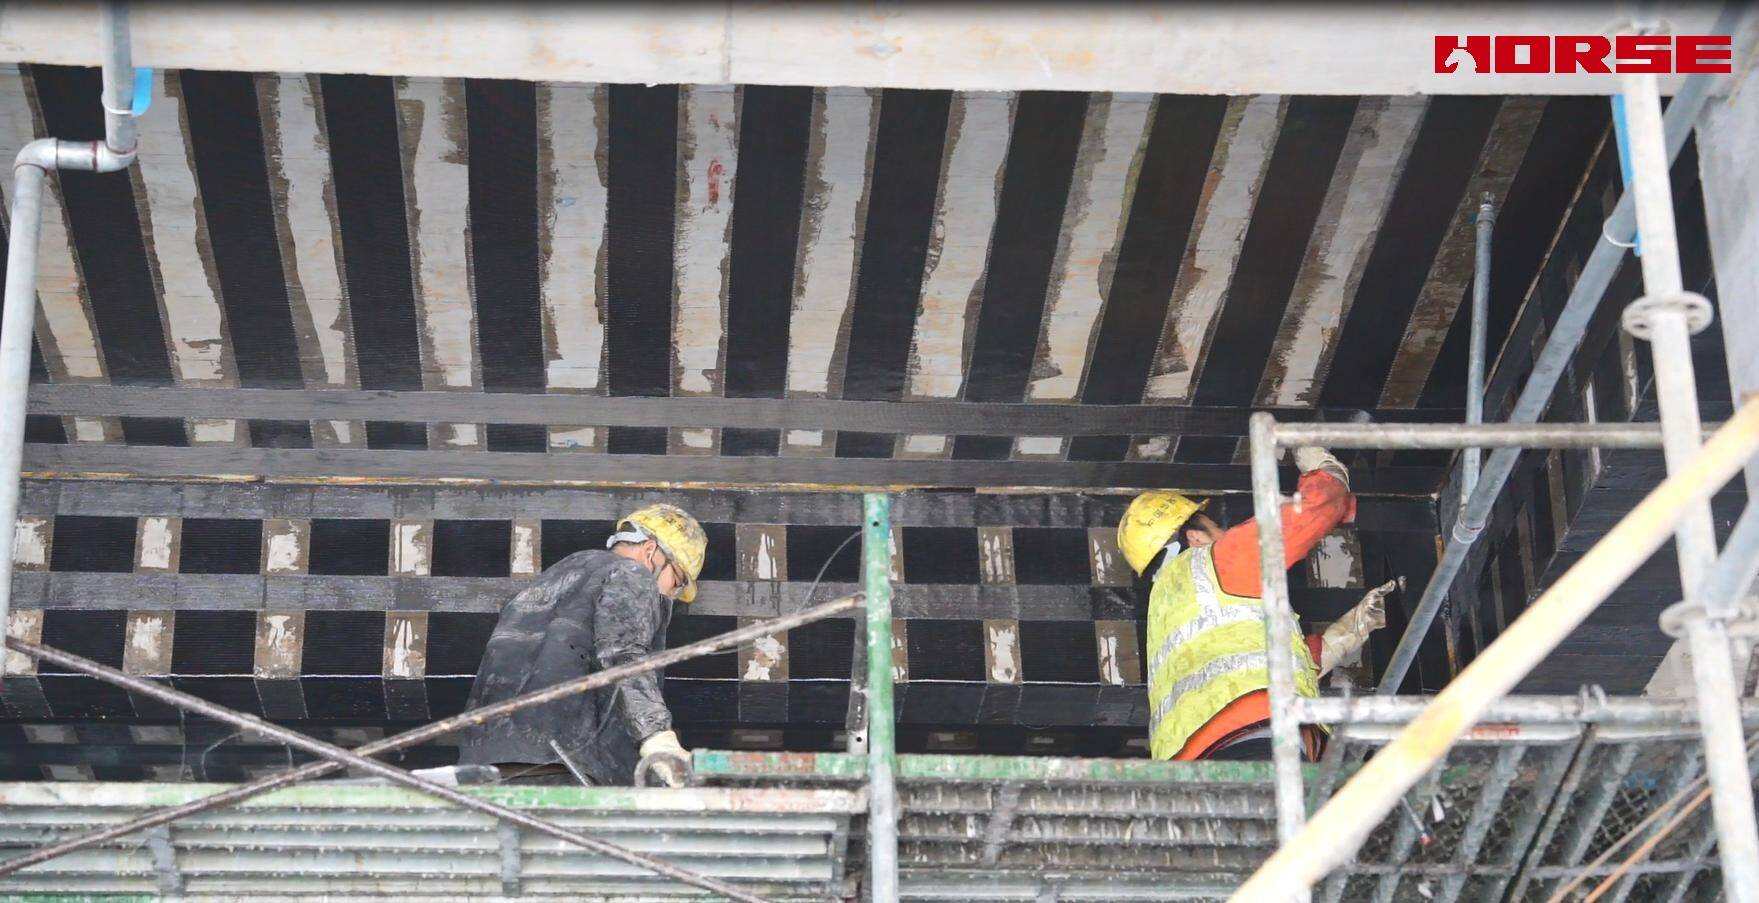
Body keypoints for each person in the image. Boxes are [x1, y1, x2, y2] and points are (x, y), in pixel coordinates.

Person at [1118, 446, 1395, 762]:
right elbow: (1318, 507)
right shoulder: (1215, 561)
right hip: (1254, 738)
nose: (1223, 532)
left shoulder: (1163, 617)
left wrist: (1348, 633)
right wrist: (1326, 470)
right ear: (1195, 537)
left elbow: (1248, 662)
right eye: (1215, 526)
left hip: (1188, 776)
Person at [454, 503, 707, 787]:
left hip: (489, 765)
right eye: (678, 581)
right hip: (565, 764)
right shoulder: (632, 575)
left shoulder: (545, 584)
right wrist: (657, 738)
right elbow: (622, 653)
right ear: (651, 552)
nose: (672, 593)